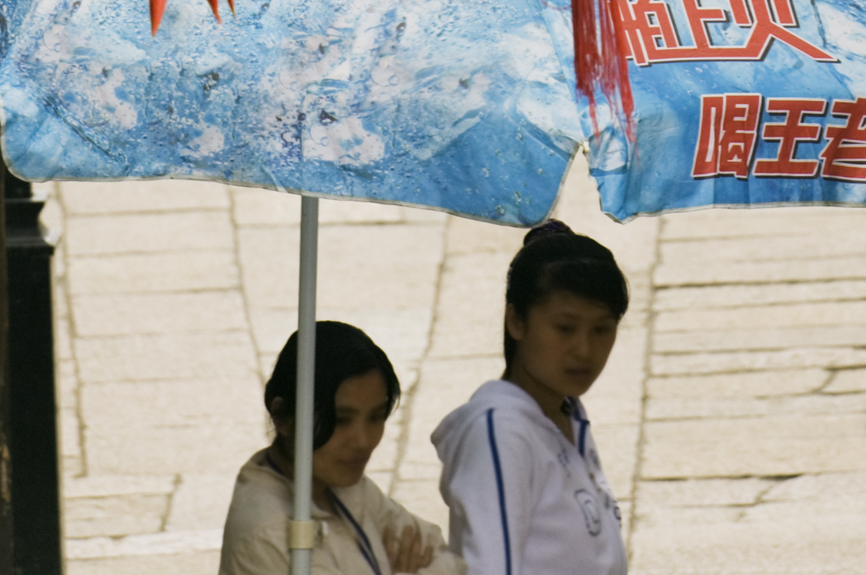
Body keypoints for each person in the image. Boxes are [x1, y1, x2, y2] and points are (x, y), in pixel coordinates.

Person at [434, 221, 630, 575]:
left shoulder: (567, 413)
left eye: (602, 329)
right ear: (516, 321)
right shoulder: (501, 433)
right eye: (565, 328)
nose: (584, 350)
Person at [219, 318, 451, 575]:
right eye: (341, 420)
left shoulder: (342, 485)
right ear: (282, 417)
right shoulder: (269, 533)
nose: (363, 441)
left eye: (375, 417)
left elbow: (440, 555)